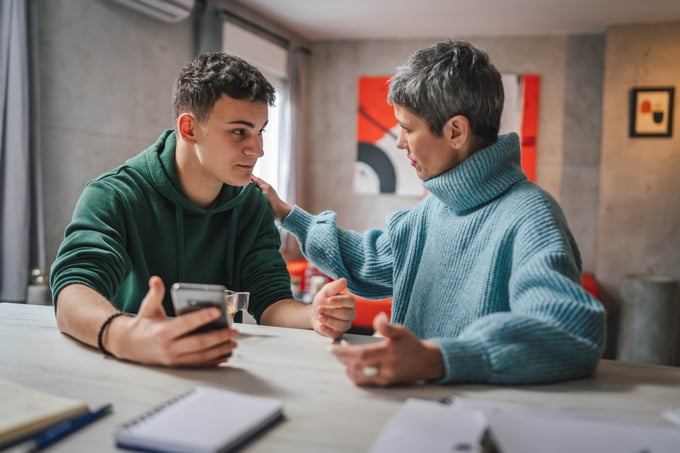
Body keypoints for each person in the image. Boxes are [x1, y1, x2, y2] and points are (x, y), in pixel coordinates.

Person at [251, 40, 606, 386]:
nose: (399, 142)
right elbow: (370, 262)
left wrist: (438, 358)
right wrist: (287, 213)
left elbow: (568, 330)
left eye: (406, 128)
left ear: (455, 131)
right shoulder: (432, 209)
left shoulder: (531, 216)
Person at [50, 52, 356, 368]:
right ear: (189, 129)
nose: (258, 150)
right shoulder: (113, 194)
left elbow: (272, 303)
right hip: (126, 366)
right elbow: (72, 291)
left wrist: (314, 314)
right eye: (240, 131)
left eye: (260, 130)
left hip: (218, 373)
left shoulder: (253, 204)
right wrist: (124, 336)